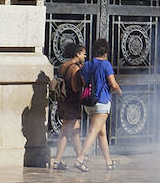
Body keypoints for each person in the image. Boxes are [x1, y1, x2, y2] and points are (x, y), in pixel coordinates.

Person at [75, 39, 121, 172]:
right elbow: (112, 83)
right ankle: (80, 158)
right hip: (102, 101)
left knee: (102, 133)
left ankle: (108, 162)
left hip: (89, 103)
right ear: (106, 52)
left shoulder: (87, 65)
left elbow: (83, 81)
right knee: (94, 131)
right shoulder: (106, 65)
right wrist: (118, 90)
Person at [51, 42, 86, 170]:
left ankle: (80, 157)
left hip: (64, 102)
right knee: (66, 132)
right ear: (78, 54)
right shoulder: (74, 68)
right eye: (83, 54)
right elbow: (75, 87)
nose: (85, 56)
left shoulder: (63, 66)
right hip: (72, 102)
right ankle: (57, 160)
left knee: (75, 130)